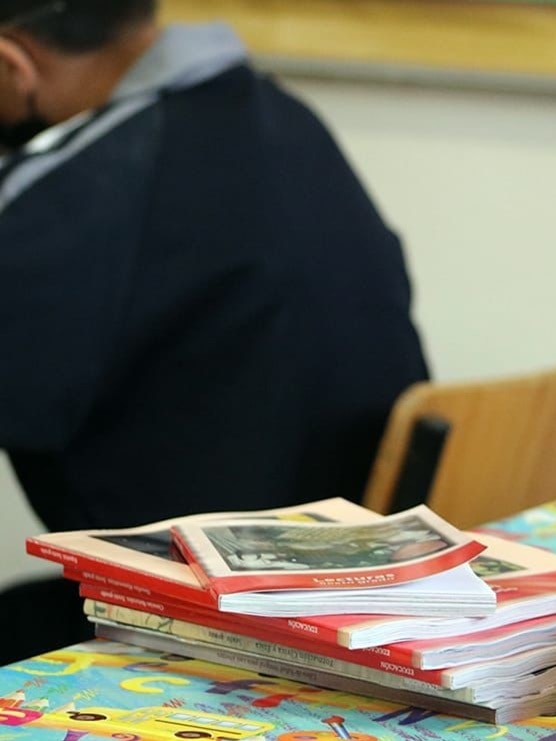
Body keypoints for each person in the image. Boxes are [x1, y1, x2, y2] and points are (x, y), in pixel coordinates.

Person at [0, 1, 428, 660]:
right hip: (364, 595)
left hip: (201, 627)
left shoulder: (73, 183)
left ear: (13, 63)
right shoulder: (287, 119)